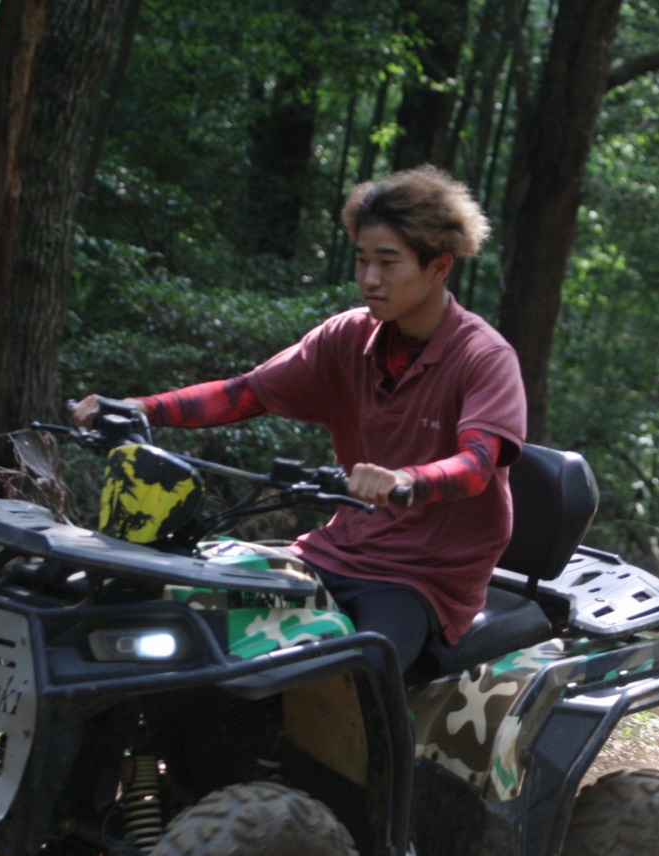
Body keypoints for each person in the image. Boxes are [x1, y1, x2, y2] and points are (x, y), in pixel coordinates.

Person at [72, 166, 526, 675]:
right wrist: (141, 407)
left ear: (439, 266)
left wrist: (403, 480)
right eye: (362, 261)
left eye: (387, 262)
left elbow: (477, 465)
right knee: (195, 613)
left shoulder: (484, 357)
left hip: (422, 577)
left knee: (358, 677)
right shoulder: (347, 338)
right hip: (337, 548)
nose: (369, 279)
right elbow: (245, 394)